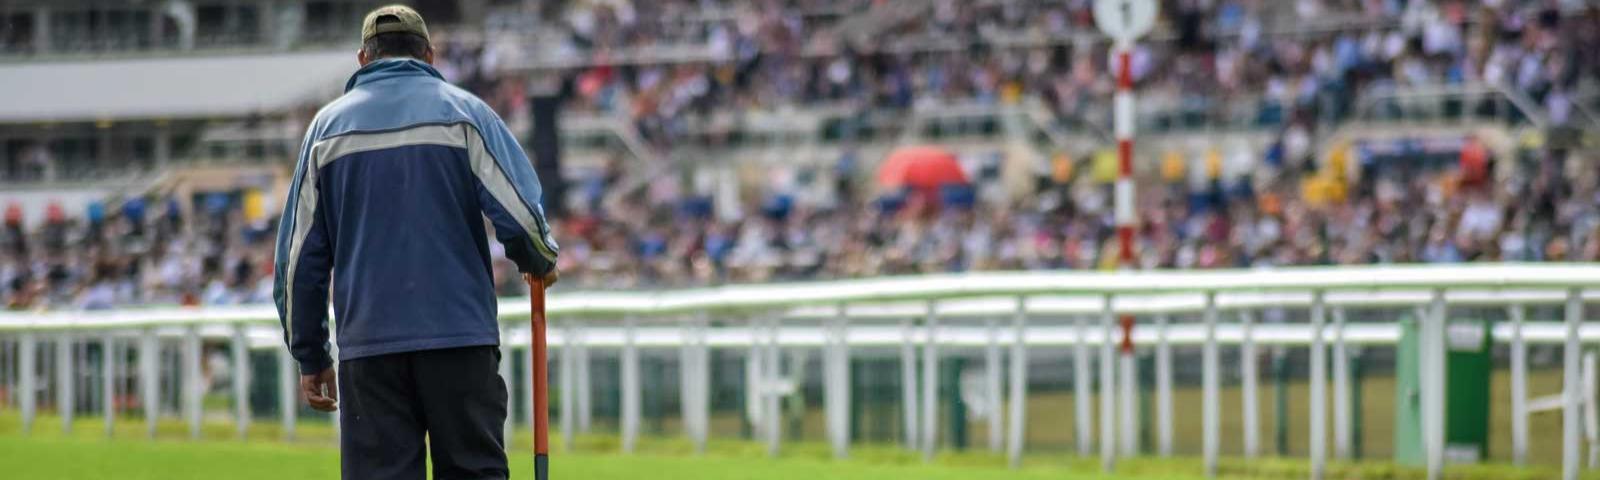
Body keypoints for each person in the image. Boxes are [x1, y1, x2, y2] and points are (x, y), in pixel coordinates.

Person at [271, 5, 559, 479]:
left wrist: (311, 353)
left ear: (363, 58)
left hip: (369, 349)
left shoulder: (325, 131)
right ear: (429, 54)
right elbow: (524, 220)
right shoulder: (466, 114)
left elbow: (299, 260)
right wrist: (539, 259)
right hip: (461, 340)